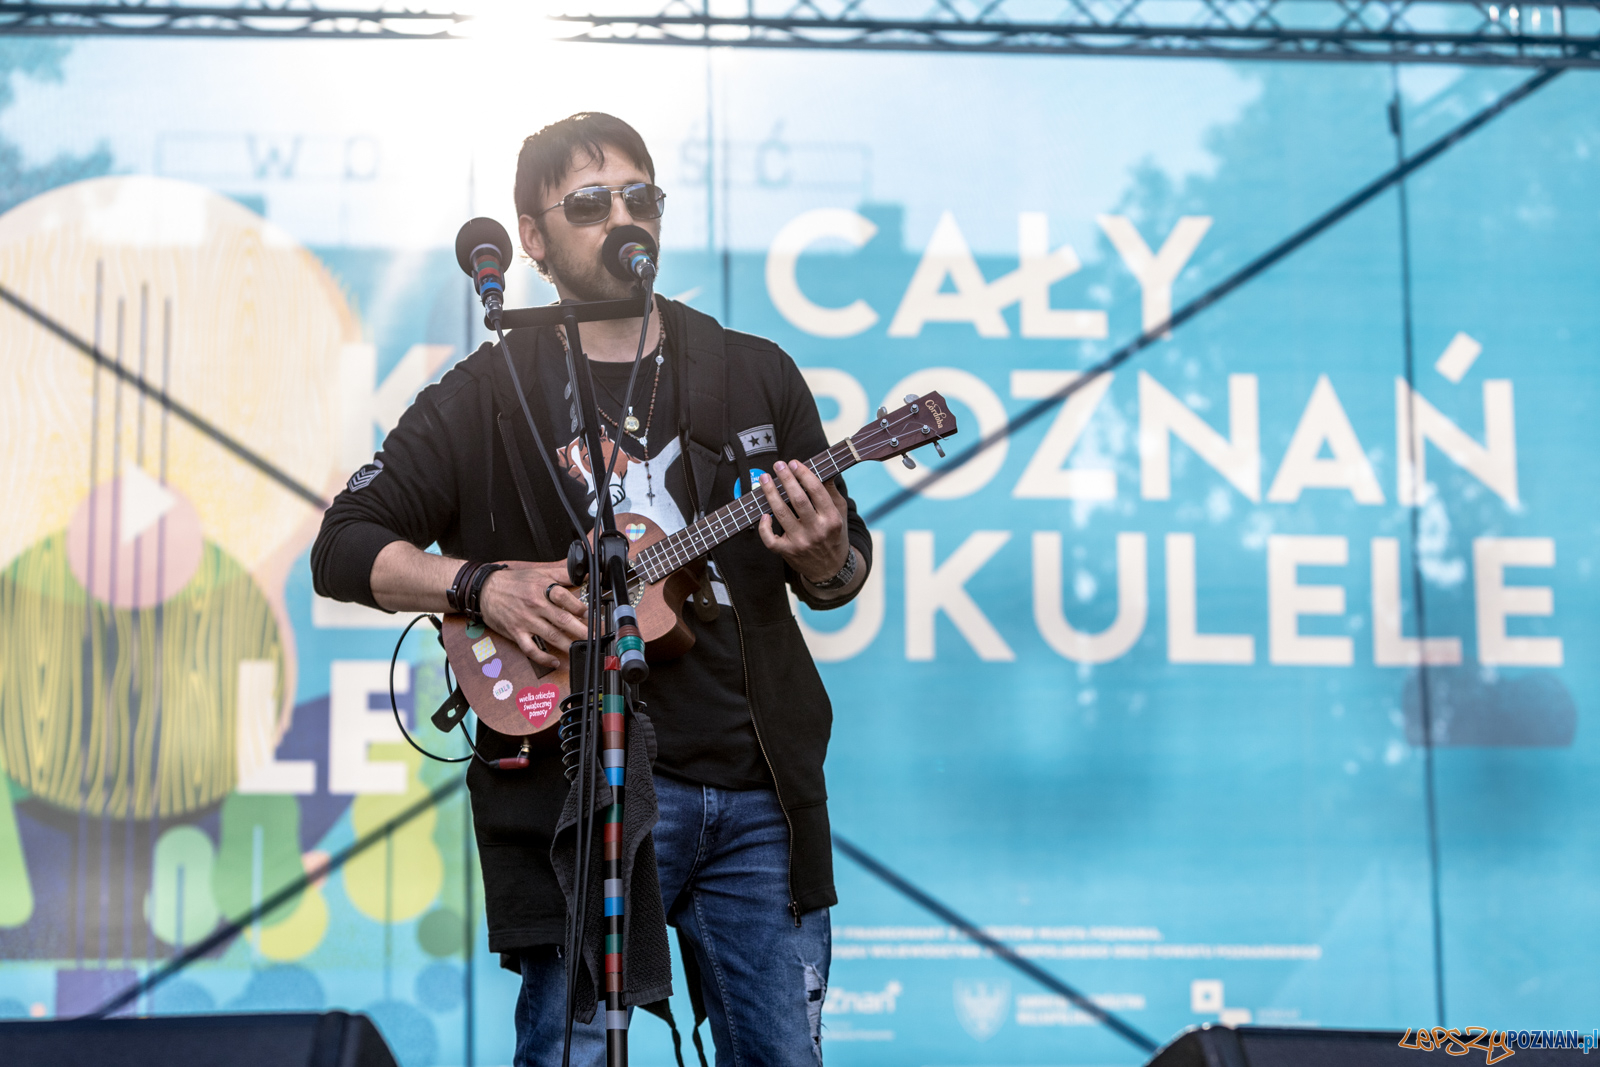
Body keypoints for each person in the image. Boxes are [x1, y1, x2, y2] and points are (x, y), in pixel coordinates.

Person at [311, 111, 871, 1067]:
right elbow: (344, 544)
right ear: (533, 238)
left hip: (756, 791)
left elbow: (841, 570)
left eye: (639, 196)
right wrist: (481, 585)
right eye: (589, 202)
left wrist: (823, 557)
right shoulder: (487, 392)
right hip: (580, 793)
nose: (623, 216)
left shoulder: (753, 373)